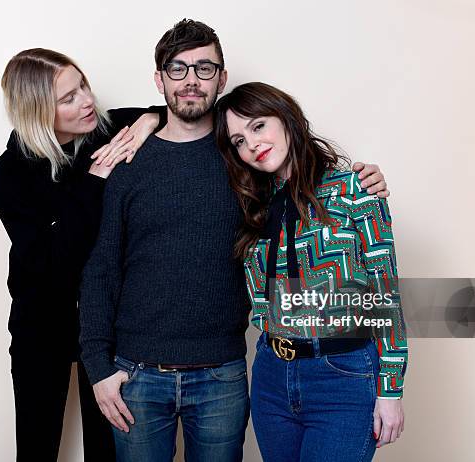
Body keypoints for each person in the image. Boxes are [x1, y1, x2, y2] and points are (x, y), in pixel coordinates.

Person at [79, 20, 390, 462]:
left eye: (205, 68)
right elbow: (102, 268)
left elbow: (307, 187)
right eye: (178, 69)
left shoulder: (246, 161)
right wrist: (97, 366)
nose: (191, 80)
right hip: (136, 374)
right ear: (159, 80)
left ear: (222, 80)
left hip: (222, 376)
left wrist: (362, 182)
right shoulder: (127, 161)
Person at [214, 81, 408, 461]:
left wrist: (390, 390)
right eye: (238, 140)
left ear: (286, 119)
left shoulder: (354, 189)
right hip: (271, 375)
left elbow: (385, 298)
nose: (251, 144)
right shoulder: (252, 203)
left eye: (258, 126)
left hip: (343, 375)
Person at [0, 48, 165, 461]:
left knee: (109, 447)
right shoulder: (10, 173)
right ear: (37, 112)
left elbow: (187, 109)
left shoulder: (107, 129)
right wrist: (94, 180)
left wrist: (148, 121)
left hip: (105, 321)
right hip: (41, 320)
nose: (86, 100)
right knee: (36, 445)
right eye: (68, 98)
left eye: (82, 85)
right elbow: (56, 262)